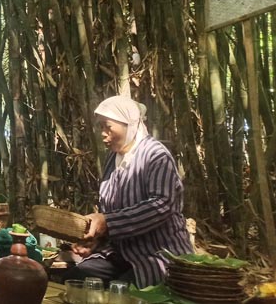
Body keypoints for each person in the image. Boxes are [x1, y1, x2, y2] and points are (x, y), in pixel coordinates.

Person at [61, 95, 192, 288]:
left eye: (108, 126)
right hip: (121, 254)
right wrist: (95, 241)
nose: (103, 134)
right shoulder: (112, 160)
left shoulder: (156, 156)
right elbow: (111, 211)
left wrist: (108, 222)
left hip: (157, 254)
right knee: (78, 278)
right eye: (101, 127)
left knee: (121, 293)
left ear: (129, 125)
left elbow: (162, 205)